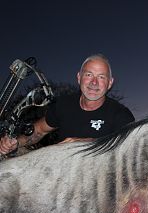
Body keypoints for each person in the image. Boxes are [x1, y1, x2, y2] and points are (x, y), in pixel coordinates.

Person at [0, 54, 135, 155]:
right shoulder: (64, 104)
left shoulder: (121, 114)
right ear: (78, 78)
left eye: (101, 77)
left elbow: (129, 149)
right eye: (89, 75)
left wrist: (86, 143)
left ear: (110, 83)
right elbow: (39, 130)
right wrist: (16, 142)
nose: (94, 82)